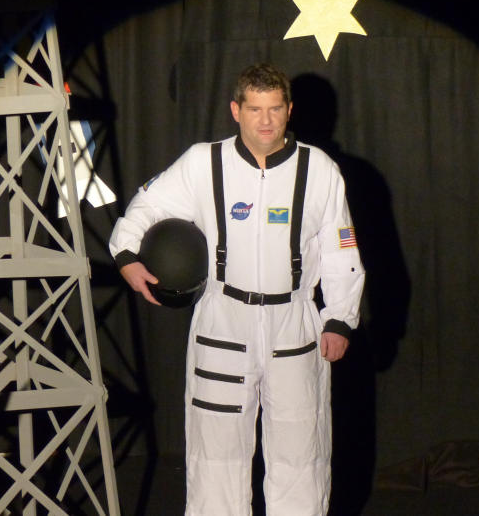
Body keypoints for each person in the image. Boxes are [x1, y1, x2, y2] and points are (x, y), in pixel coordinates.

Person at [109, 63, 365, 515]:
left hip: (294, 324)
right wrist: (127, 256)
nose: (265, 120)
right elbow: (146, 206)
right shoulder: (203, 163)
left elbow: (340, 247)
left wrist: (340, 318)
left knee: (300, 454)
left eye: (274, 109)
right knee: (216, 454)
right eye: (254, 109)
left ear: (289, 111)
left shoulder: (319, 170)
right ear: (235, 110)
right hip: (223, 319)